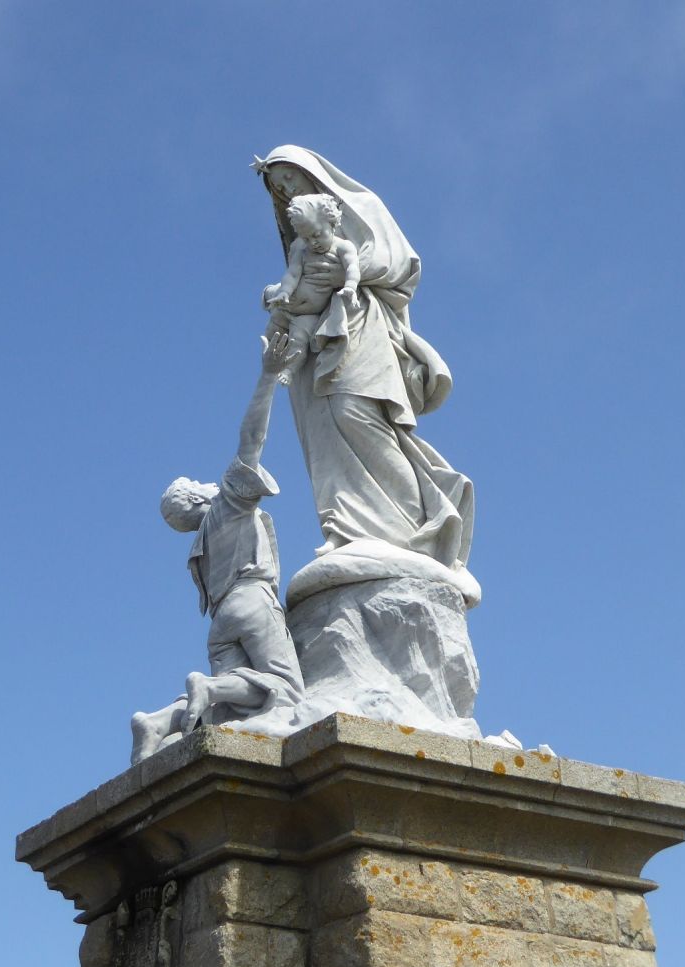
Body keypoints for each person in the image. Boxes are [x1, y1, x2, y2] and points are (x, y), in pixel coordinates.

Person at [254, 145, 474, 569]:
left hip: (360, 324)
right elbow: (297, 284)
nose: (286, 191)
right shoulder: (301, 247)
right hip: (315, 337)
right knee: (322, 430)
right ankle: (345, 528)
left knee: (358, 412)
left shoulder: (363, 207)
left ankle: (422, 526)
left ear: (312, 175)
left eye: (291, 180)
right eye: (279, 188)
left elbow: (402, 264)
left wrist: (347, 276)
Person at [129, 334, 306, 763]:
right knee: (286, 689)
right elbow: (251, 441)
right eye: (199, 484)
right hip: (251, 603)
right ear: (197, 498)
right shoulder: (226, 506)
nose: (209, 483)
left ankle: (158, 722)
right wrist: (267, 378)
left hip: (220, 622)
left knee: (231, 706)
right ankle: (204, 688)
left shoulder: (199, 550)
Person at [263, 192, 360, 383]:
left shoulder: (343, 247)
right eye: (306, 238)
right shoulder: (301, 248)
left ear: (332, 222)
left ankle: (290, 371)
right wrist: (284, 292)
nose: (312, 242)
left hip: (307, 315)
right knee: (273, 328)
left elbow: (352, 267)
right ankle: (267, 353)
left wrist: (350, 287)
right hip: (288, 304)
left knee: (298, 342)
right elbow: (293, 273)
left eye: (317, 235)